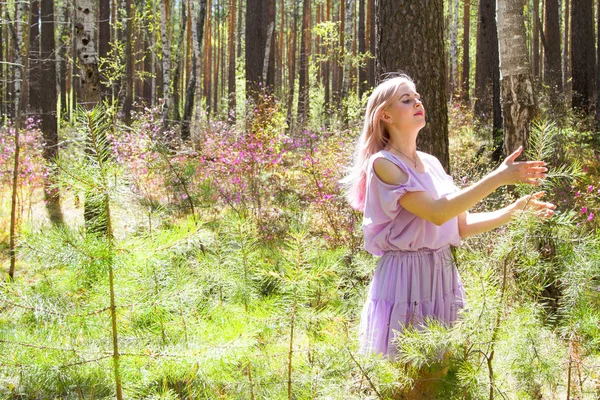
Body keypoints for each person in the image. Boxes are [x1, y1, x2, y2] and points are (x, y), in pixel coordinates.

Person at [341, 74, 555, 360]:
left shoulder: (430, 163)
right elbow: (438, 213)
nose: (417, 102)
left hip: (442, 274)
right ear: (386, 115)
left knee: (444, 369)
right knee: (408, 373)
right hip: (406, 277)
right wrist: (498, 178)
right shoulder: (383, 163)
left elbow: (461, 225)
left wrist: (513, 211)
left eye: (417, 97)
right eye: (406, 100)